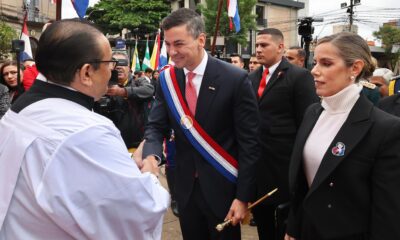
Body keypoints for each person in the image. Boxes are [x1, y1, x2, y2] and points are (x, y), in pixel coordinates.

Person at [0, 19, 169, 239]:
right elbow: (136, 210)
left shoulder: (19, 111)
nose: (112, 72)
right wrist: (149, 173)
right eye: (110, 64)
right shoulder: (88, 131)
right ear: (87, 72)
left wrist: (123, 165)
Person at [142, 8, 259, 240]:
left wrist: (243, 197)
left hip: (223, 187)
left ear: (201, 40)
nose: (172, 52)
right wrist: (151, 157)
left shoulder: (234, 79)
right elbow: (155, 127)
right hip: (184, 187)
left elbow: (250, 143)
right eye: (167, 44)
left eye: (179, 44)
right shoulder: (167, 79)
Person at [285, 32, 400, 240]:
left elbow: (387, 212)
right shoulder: (312, 112)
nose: (314, 71)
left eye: (326, 63)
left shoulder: (386, 129)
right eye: (315, 62)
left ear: (354, 68)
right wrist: (293, 227)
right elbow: (301, 185)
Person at [248, 28, 319, 240]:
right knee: (262, 219)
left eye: (264, 45)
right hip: (258, 164)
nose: (258, 50)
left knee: (286, 223)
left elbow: (307, 122)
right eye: (257, 45)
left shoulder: (299, 77)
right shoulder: (251, 78)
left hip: (285, 164)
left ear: (280, 47)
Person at [96, 51, 154, 150]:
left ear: (129, 67)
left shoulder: (138, 82)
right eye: (114, 63)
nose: (118, 67)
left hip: (137, 145)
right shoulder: (101, 86)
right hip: (109, 145)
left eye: (122, 63)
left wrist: (122, 92)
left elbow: (149, 90)